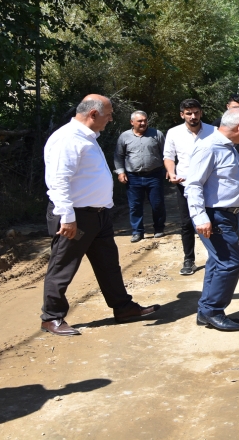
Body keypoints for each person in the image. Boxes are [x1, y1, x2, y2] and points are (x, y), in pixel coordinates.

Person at [41, 94, 161, 336]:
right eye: (108, 114)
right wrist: (67, 217)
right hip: (76, 217)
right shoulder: (68, 139)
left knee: (109, 265)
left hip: (98, 216)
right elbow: (58, 181)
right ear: (93, 114)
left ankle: (123, 307)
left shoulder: (87, 137)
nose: (111, 119)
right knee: (63, 266)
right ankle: (51, 317)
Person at [183, 108, 239, 331]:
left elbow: (224, 179)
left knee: (218, 262)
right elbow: (193, 185)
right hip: (215, 216)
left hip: (227, 216)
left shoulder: (229, 148)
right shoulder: (209, 147)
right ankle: (213, 311)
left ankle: (206, 311)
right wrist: (200, 217)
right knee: (230, 263)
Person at [163, 99, 216, 276]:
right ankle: (189, 260)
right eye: (189, 113)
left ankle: (215, 256)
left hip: (209, 184)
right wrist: (171, 173)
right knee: (187, 223)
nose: (193, 116)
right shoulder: (173, 133)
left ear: (201, 112)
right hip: (184, 184)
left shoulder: (213, 131)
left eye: (196, 112)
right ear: (182, 114)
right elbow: (168, 156)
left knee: (211, 220)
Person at [115, 110, 167, 243]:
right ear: (132, 122)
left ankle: (159, 228)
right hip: (133, 177)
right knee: (135, 206)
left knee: (157, 204)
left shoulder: (157, 134)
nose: (143, 123)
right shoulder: (124, 136)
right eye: (140, 121)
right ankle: (137, 232)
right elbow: (118, 156)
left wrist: (168, 169)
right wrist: (120, 172)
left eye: (145, 120)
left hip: (154, 175)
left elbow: (166, 153)